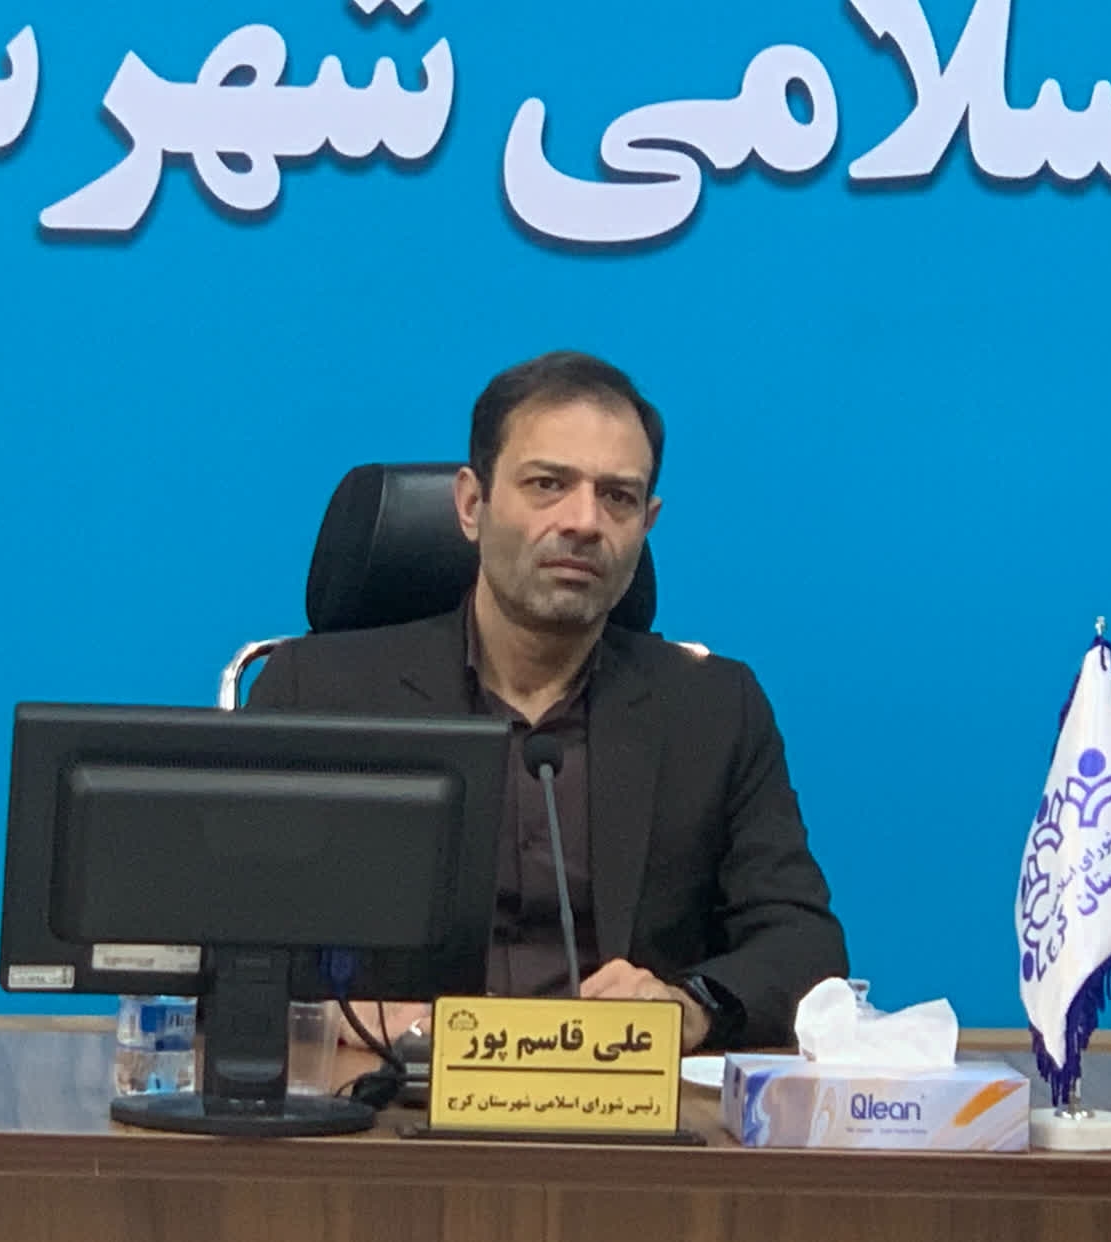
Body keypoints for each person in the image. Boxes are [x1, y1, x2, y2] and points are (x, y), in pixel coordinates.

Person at [249, 350, 847, 1050]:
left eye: (618, 497)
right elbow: (222, 933)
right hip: (393, 1091)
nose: (585, 521)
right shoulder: (318, 693)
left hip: (620, 1097)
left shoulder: (712, 709)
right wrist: (343, 1016)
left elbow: (803, 945)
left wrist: (688, 1004)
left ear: (646, 523)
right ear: (471, 505)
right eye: (548, 484)